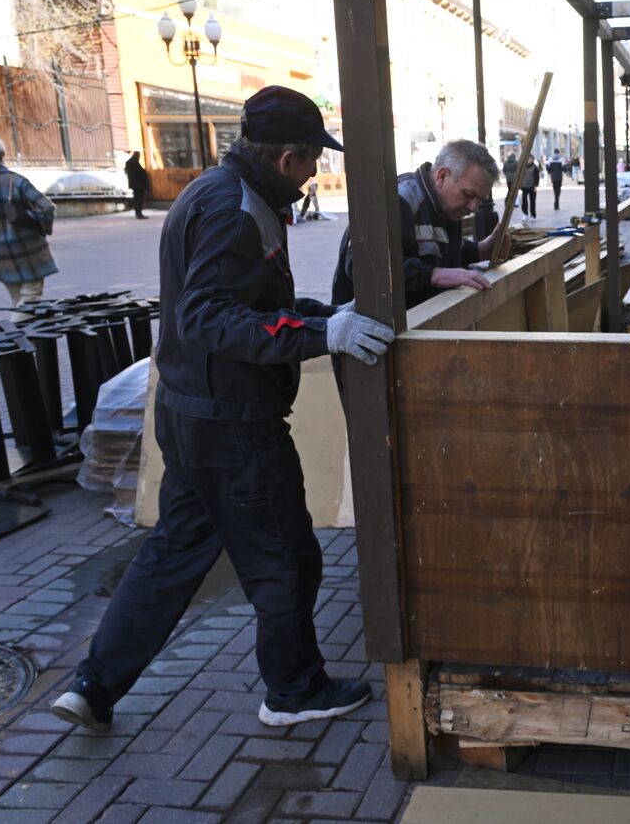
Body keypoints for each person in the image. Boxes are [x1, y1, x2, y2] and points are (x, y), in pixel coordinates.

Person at [51, 85, 394, 733]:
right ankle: (292, 690)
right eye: (313, 158)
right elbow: (211, 315)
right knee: (287, 557)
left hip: (189, 415)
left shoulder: (221, 193)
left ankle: (94, 684)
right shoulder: (237, 209)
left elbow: (246, 302)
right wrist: (324, 336)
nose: (316, 170)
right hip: (231, 425)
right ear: (287, 156)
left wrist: (325, 316)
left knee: (171, 556)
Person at [332, 139, 507, 309]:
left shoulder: (447, 207)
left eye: (480, 200)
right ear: (442, 176)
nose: (473, 207)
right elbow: (363, 267)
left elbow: (438, 251)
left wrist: (480, 250)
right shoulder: (397, 202)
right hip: (364, 328)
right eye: (468, 195)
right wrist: (432, 275)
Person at [0, 137, 57, 306]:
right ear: (1, 154)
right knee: (31, 297)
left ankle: (23, 331)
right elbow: (46, 208)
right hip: (28, 247)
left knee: (17, 299)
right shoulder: (15, 181)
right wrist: (42, 228)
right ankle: (12, 330)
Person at [125, 150, 150, 219]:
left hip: (134, 184)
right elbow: (140, 173)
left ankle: (138, 212)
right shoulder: (134, 163)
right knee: (139, 199)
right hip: (139, 185)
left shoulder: (129, 162)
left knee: (136, 198)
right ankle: (139, 213)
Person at [520, 153, 541, 223]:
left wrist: (536, 186)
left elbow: (537, 177)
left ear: (532, 160)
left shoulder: (534, 167)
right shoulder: (523, 167)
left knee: (532, 202)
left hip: (532, 186)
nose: (528, 160)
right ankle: (525, 213)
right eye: (527, 159)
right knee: (524, 201)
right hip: (524, 186)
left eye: (530, 159)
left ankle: (533, 215)